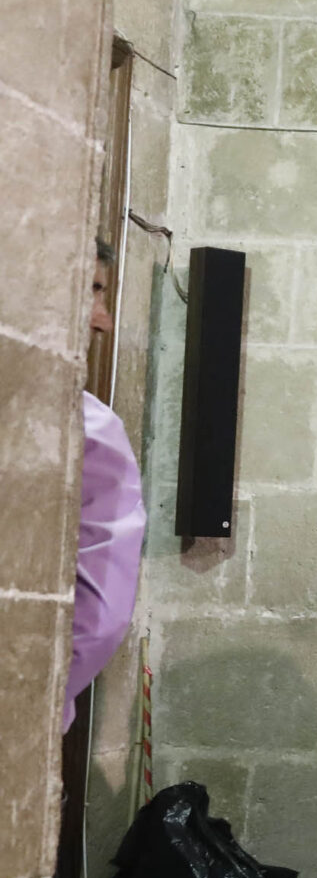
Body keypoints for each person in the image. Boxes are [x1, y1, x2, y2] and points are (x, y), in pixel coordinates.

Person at [63, 241, 141, 729]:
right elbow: (102, 613)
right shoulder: (85, 425)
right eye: (92, 290)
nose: (102, 320)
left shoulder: (90, 428)